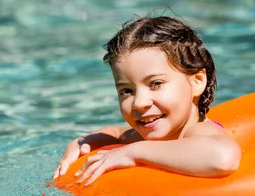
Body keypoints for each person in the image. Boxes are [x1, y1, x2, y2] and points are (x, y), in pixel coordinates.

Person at [53, 16, 241, 185]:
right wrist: (85, 142)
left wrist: (134, 153)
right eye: (127, 90)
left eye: (155, 83)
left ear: (197, 81)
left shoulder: (199, 131)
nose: (138, 103)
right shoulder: (137, 136)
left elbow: (222, 157)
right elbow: (116, 133)